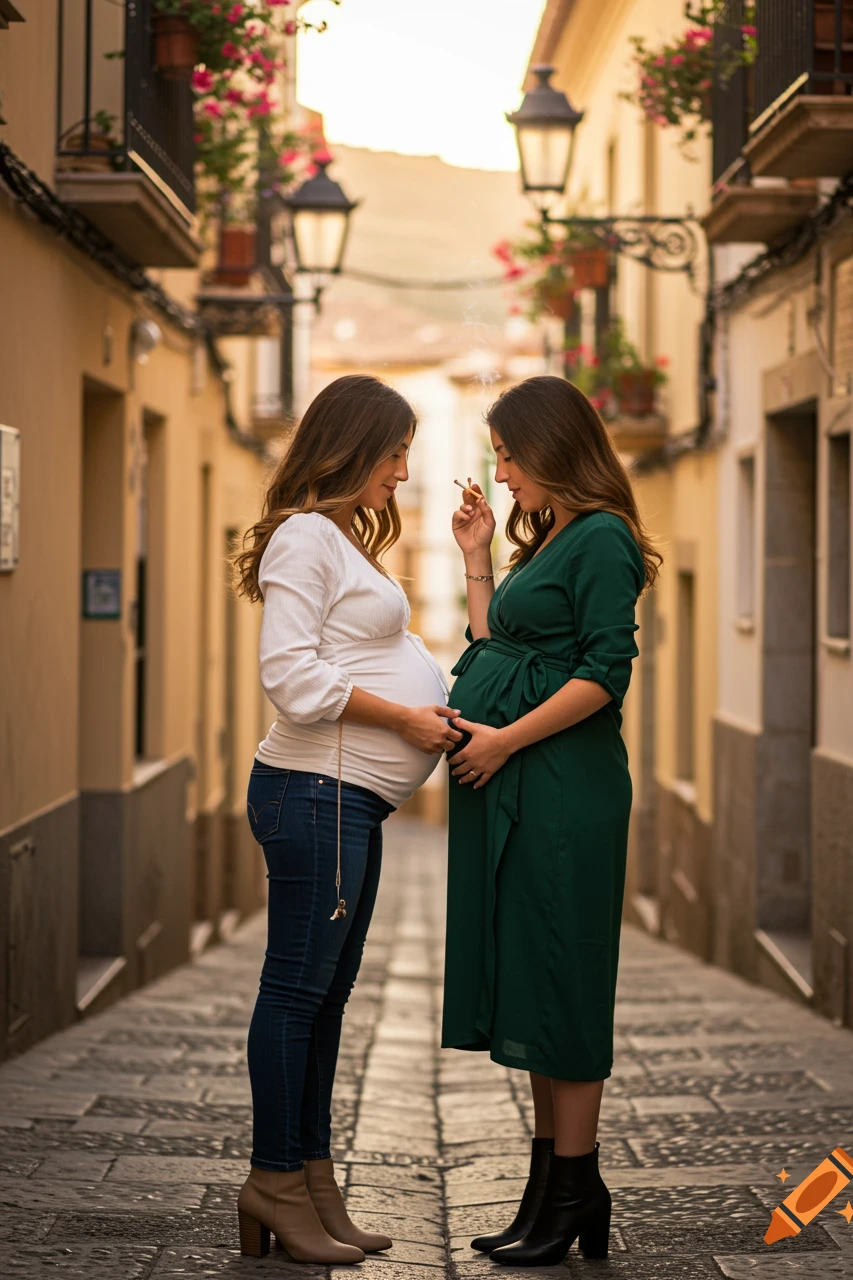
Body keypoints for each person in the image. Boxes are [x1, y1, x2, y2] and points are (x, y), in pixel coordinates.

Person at [232, 374, 461, 1264]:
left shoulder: (337, 541)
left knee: (323, 999)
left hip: (345, 802)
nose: (402, 472)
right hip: (312, 793)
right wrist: (404, 719)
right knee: (295, 993)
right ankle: (273, 1182)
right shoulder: (303, 538)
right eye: (395, 453)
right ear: (354, 447)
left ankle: (313, 1181)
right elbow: (289, 676)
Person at [441, 375, 662, 1267]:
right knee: (535, 979)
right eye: (497, 457)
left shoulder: (602, 536)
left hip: (568, 789)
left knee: (565, 979)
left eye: (508, 456)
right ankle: (552, 1191)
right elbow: (495, 644)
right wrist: (476, 555)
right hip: (527, 782)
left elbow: (605, 672)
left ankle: (573, 1189)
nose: (500, 475)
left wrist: (502, 741)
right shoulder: (551, 538)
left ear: (551, 447)